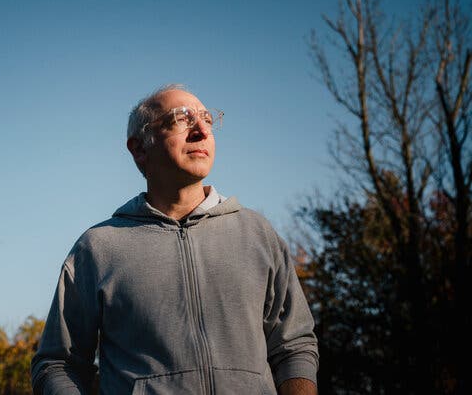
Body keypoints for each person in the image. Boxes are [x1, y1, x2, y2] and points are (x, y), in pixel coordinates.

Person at [31, 84, 319, 395]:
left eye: (207, 120)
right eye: (180, 120)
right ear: (139, 148)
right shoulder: (98, 248)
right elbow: (59, 364)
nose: (201, 131)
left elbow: (294, 347)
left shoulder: (257, 234)